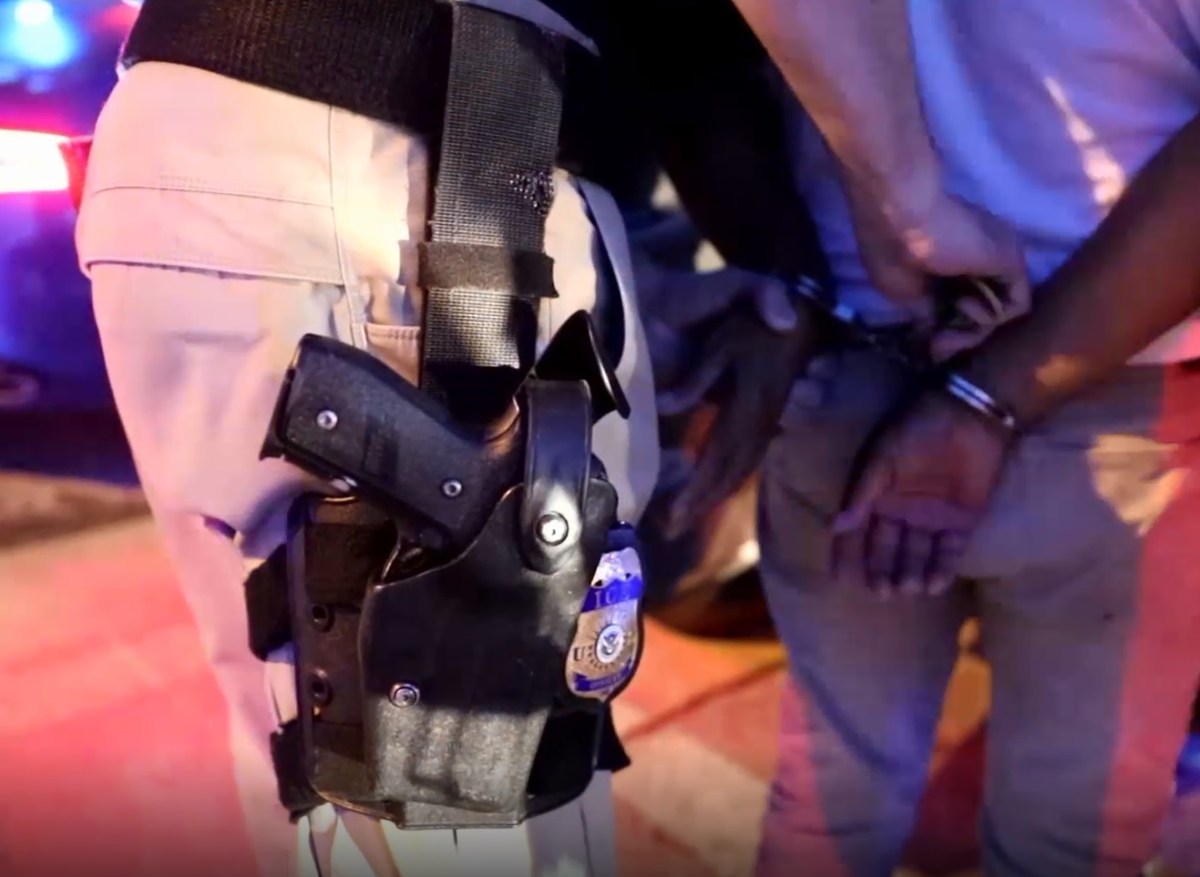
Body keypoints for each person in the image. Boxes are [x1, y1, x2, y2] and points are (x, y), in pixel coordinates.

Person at [74, 2, 662, 875]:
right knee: (453, 795)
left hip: (271, 149)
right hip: (438, 159)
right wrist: (886, 236)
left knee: (315, 750)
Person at [711, 0, 1200, 874]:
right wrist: (991, 394)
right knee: (1071, 841)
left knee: (831, 798)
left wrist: (786, 277)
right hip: (1122, 386)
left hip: (857, 346)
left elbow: (683, 51)